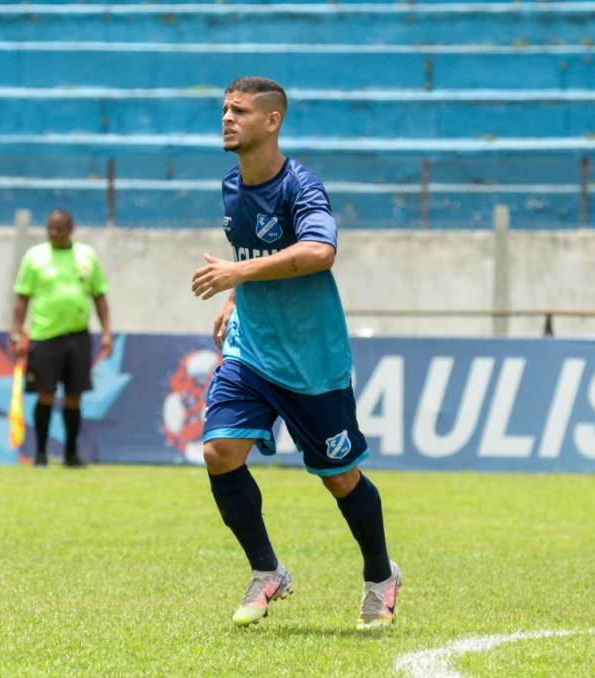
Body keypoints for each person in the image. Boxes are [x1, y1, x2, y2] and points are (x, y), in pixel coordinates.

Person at [191, 76, 401, 631]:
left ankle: (381, 576)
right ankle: (267, 571)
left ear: (272, 121)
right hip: (253, 349)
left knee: (340, 478)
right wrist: (238, 296)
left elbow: (319, 250)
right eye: (224, 110)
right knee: (219, 453)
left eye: (238, 111)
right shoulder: (232, 186)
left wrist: (237, 273)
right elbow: (252, 250)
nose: (227, 119)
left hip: (311, 362)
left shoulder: (301, 187)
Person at [11, 209, 112, 467]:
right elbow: (22, 297)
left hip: (78, 336)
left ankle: (70, 454)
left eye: (60, 229)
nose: (55, 234)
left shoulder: (86, 255)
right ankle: (41, 454)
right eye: (50, 229)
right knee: (45, 394)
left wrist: (107, 331)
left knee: (74, 396)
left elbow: (99, 295)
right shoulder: (35, 257)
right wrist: (16, 331)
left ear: (71, 228)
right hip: (45, 336)